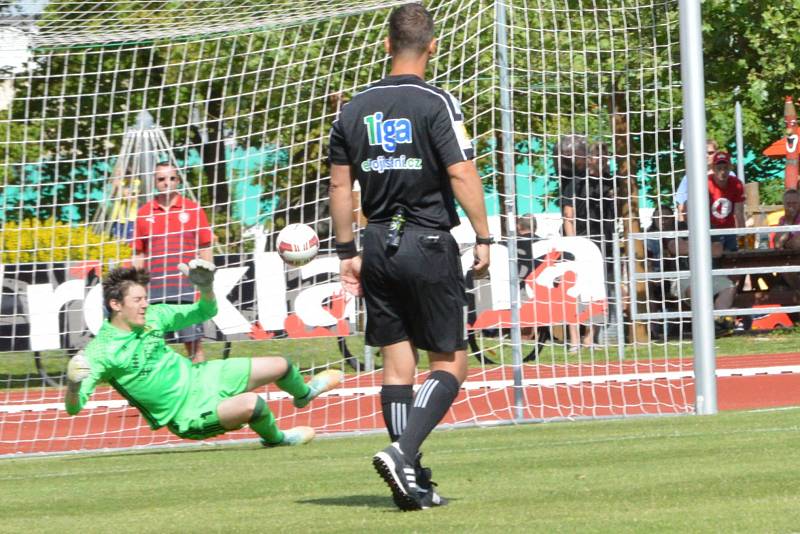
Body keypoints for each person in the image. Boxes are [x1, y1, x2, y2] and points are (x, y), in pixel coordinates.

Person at [327, 4, 491, 511]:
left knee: (397, 365)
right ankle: (403, 451)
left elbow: (339, 185)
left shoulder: (353, 109)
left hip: (376, 244)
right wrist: (484, 234)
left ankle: (412, 482)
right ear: (433, 47)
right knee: (451, 362)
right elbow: (461, 172)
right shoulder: (436, 102)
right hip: (427, 240)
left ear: (386, 44)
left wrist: (347, 252)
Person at [64, 263, 343, 446]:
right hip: (187, 412)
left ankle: (303, 395)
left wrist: (206, 288)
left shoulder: (155, 316)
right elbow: (74, 408)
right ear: (115, 304)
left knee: (281, 364)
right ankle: (278, 439)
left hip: (204, 376)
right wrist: (74, 385)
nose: (145, 305)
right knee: (254, 405)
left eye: (146, 298)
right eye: (138, 300)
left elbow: (205, 312)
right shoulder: (100, 351)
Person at [133, 162, 213, 363]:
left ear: (178, 180)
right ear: (155, 182)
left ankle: (200, 389)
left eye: (171, 178)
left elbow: (205, 246)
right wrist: (136, 287)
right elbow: (139, 253)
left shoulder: (193, 209)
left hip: (185, 288)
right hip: (155, 290)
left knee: (194, 346)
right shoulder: (144, 213)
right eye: (161, 179)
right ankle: (161, 391)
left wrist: (207, 278)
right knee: (154, 349)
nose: (166, 183)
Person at [561, 141, 618, 348]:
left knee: (598, 291)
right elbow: (568, 216)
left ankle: (590, 338)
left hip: (604, 243)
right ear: (589, 160)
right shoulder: (577, 182)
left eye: (606, 157)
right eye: (598, 157)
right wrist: (573, 244)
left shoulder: (611, 182)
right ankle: (575, 340)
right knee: (574, 291)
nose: (603, 161)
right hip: (581, 242)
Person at [706, 151, 745, 252]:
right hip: (709, 231)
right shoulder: (705, 183)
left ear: (730, 168)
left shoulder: (736, 184)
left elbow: (739, 212)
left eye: (725, 168)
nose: (722, 172)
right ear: (713, 169)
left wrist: (743, 235)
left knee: (733, 256)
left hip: (729, 230)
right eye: (719, 168)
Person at [675, 139, 719, 221]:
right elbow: (681, 208)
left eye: (710, 153)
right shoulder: (689, 178)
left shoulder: (729, 175)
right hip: (698, 222)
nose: (707, 156)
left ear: (716, 153)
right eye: (703, 153)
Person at [774, 189, 800, 290]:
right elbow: (777, 244)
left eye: (794, 203)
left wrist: (786, 243)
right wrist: (788, 222)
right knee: (778, 289)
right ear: (784, 205)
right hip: (790, 262)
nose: (791, 206)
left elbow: (797, 243)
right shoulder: (783, 220)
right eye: (788, 203)